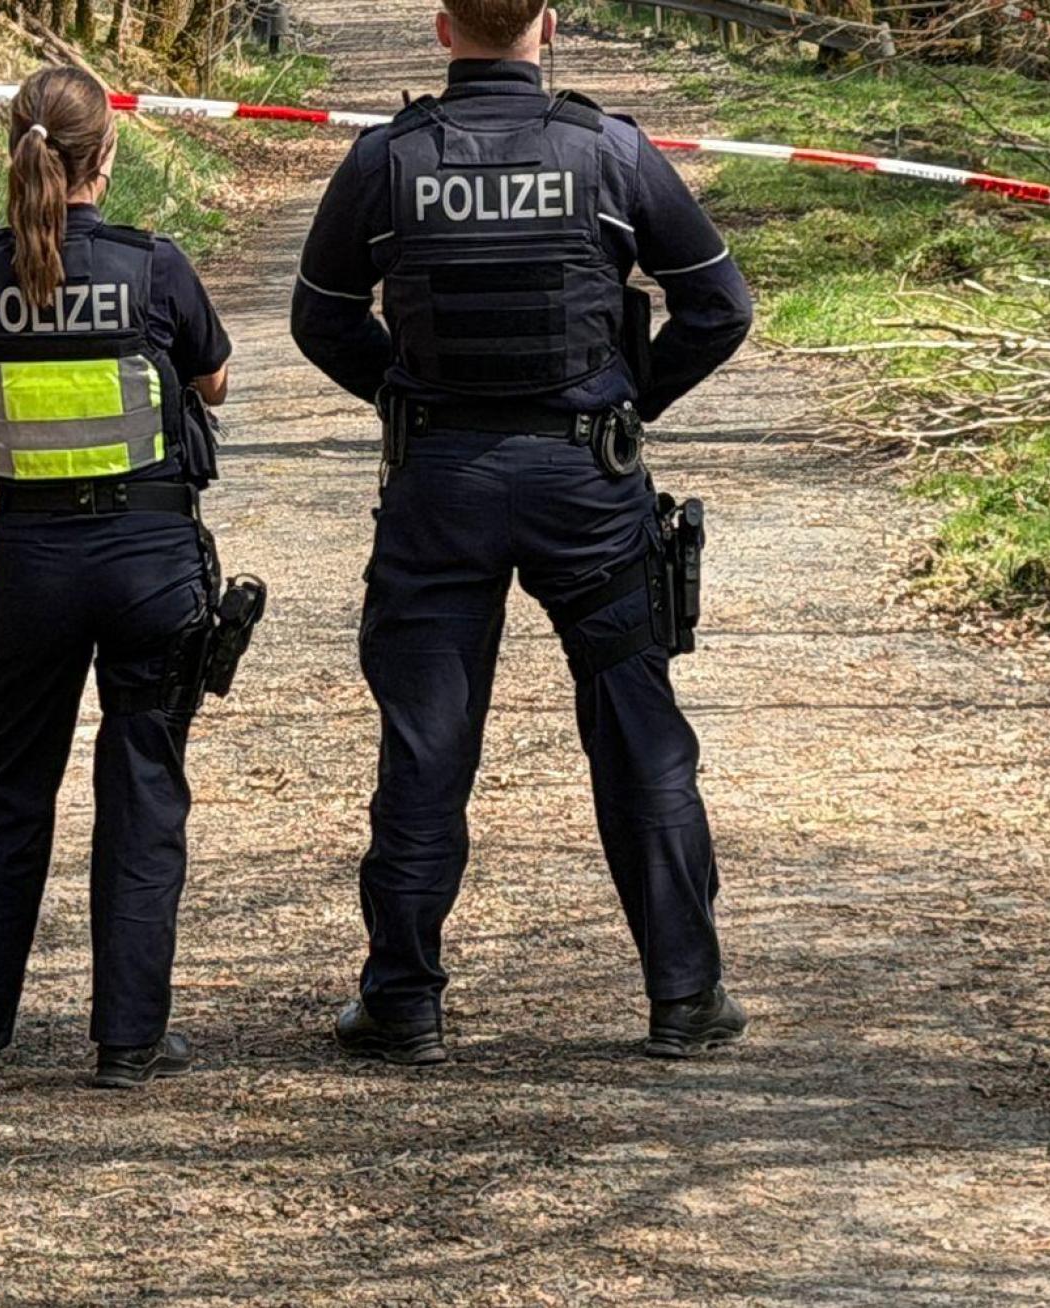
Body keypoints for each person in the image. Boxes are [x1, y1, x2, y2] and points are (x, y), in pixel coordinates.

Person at [291, 0, 755, 1064]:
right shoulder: (610, 155)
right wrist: (629, 397)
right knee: (639, 731)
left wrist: (404, 395)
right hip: (586, 479)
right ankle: (685, 997)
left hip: (440, 482)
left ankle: (404, 1003)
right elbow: (719, 307)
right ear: (547, 26)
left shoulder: (386, 162)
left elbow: (320, 317)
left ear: (444, 28)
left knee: (426, 745)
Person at [0, 65, 235, 1090]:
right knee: (143, 796)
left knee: (6, 793)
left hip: (29, 568)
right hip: (147, 565)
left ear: (16, 147)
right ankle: (130, 1039)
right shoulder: (155, 268)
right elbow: (212, 379)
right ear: (110, 156)